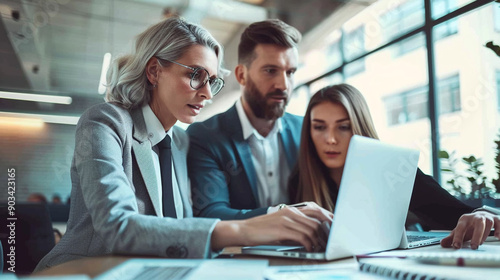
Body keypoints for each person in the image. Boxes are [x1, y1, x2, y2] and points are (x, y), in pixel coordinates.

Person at [34, 17, 331, 272]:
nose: (206, 94)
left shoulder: (180, 142)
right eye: (195, 75)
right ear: (154, 71)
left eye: (211, 81)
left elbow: (182, 229)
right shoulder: (105, 122)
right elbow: (117, 226)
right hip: (82, 272)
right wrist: (244, 229)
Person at [288, 83, 500, 250]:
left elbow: (456, 214)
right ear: (309, 132)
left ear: (359, 128)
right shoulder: (300, 179)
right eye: (319, 127)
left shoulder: (395, 171)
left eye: (343, 127)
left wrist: (484, 214)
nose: (331, 139)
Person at [187, 19, 305, 220]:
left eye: (290, 72)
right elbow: (212, 213)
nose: (283, 85)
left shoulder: (306, 130)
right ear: (242, 75)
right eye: (271, 71)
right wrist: (284, 215)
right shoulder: (204, 137)